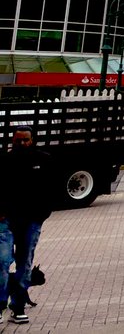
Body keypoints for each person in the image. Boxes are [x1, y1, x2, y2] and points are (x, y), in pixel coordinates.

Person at [7, 127, 54, 325]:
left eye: (26, 140)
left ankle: (18, 306)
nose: (22, 144)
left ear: (32, 140)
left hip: (32, 221)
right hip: (7, 222)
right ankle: (3, 303)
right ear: (12, 141)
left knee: (25, 264)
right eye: (18, 140)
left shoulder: (43, 160)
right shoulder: (4, 161)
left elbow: (51, 188)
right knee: (2, 262)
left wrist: (42, 215)